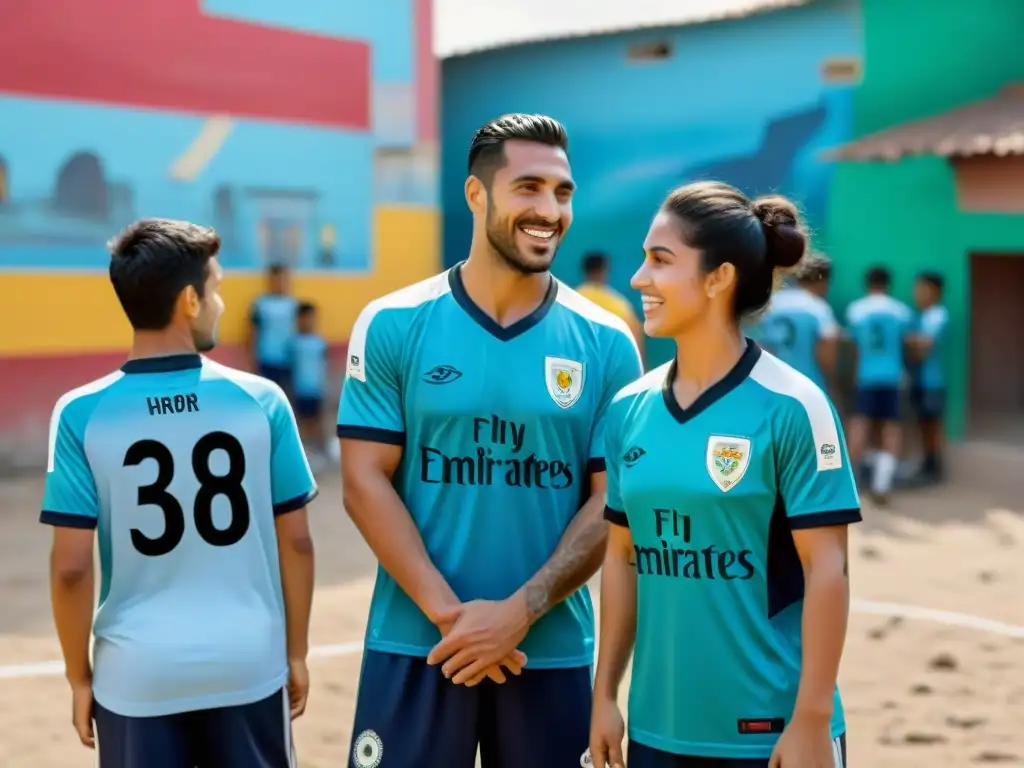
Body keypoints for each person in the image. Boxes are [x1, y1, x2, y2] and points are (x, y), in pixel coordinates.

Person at [337, 113, 642, 768]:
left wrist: (521, 610)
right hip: (417, 641)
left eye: (562, 193)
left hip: (551, 647)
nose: (549, 210)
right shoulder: (393, 322)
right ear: (477, 195)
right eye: (528, 187)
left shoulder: (608, 340)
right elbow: (363, 481)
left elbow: (613, 500)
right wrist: (453, 618)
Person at [590, 182, 860, 768]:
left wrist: (811, 719)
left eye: (660, 261)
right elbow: (622, 557)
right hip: (657, 732)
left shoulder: (794, 406)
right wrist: (604, 695)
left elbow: (828, 568)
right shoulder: (627, 409)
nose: (639, 278)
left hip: (772, 735)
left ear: (719, 278)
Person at [41, 219, 317, 768]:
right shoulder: (261, 401)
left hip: (134, 676)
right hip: (247, 664)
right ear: (189, 301)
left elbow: (70, 569)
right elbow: (299, 543)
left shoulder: (80, 412)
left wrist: (79, 679)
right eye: (213, 288)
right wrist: (296, 653)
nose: (218, 302)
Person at [845, 266, 913, 504]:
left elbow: (855, 347)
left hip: (866, 376)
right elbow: (905, 344)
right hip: (892, 377)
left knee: (859, 425)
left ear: (867, 283)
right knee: (891, 427)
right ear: (889, 284)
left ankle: (849, 484)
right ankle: (881, 485)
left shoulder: (856, 310)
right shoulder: (901, 311)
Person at [757, 253, 840, 395]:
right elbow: (827, 356)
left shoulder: (772, 303)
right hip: (808, 385)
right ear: (823, 281)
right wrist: (832, 386)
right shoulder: (819, 307)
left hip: (773, 383)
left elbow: (760, 344)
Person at [907, 272, 949, 484]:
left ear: (935, 291)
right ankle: (927, 464)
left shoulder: (938, 315)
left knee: (933, 425)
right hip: (920, 381)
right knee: (923, 424)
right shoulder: (921, 316)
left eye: (922, 289)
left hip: (933, 383)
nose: (918, 294)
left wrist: (909, 341)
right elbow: (916, 347)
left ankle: (935, 468)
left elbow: (922, 348)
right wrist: (914, 343)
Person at [577, 250, 646, 361]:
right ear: (604, 270)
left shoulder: (570, 302)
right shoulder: (620, 305)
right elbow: (636, 339)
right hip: (613, 366)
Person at [290, 301, 330, 467]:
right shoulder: (292, 343)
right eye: (304, 318)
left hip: (316, 390)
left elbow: (324, 366)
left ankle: (321, 457)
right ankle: (302, 459)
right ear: (298, 320)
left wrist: (324, 387)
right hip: (299, 390)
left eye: (311, 318)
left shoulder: (320, 343)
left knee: (317, 424)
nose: (308, 322)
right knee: (300, 424)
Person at [249, 263, 299, 390]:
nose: (280, 283)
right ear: (271, 281)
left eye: (283, 279)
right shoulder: (260, 304)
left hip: (288, 358)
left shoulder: (293, 304)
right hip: (267, 357)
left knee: (286, 395)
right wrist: (252, 357)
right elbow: (253, 331)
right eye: (277, 279)